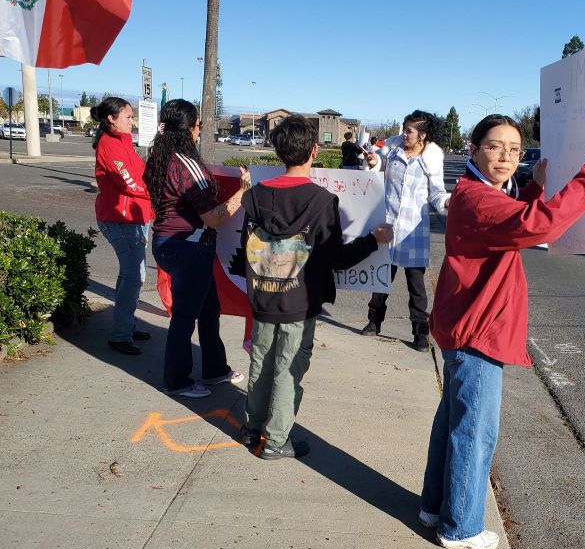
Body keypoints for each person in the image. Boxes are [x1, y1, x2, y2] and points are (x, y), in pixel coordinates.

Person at [420, 113, 585, 549]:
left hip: (465, 324)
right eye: (495, 146)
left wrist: (533, 188)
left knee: (451, 424)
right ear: (472, 150)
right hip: (478, 330)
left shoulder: (478, 194)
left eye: (515, 149)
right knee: (474, 431)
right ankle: (461, 528)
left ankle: (434, 508)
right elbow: (537, 226)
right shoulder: (477, 199)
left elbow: (513, 220)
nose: (507, 156)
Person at [240, 114, 393, 460]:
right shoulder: (322, 201)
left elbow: (244, 250)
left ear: (278, 153)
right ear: (313, 151)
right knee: (288, 368)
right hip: (300, 298)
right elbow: (335, 258)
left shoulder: (254, 196)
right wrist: (372, 240)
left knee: (261, 361)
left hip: (263, 294)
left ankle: (252, 427)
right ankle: (276, 441)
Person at [144, 99, 248, 398]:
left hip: (171, 242)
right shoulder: (187, 165)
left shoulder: (160, 156)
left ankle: (215, 369)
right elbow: (213, 218)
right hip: (188, 247)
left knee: (208, 307)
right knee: (186, 316)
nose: (200, 128)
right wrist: (242, 192)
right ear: (190, 128)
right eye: (199, 123)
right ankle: (177, 380)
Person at [361, 110, 449, 351]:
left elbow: (436, 192)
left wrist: (447, 202)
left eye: (409, 130)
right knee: (381, 278)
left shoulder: (430, 159)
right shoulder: (393, 150)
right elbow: (376, 166)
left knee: (416, 286)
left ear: (423, 135)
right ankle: (374, 321)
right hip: (387, 226)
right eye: (404, 128)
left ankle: (420, 333)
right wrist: (373, 162)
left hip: (414, 230)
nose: (404, 134)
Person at [92, 97, 152, 355]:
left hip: (135, 217)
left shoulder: (122, 142)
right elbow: (129, 183)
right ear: (111, 119)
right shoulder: (110, 145)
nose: (132, 120)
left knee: (133, 275)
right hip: (120, 218)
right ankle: (120, 334)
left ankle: (126, 324)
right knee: (133, 275)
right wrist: (157, 193)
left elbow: (139, 175)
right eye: (128, 116)